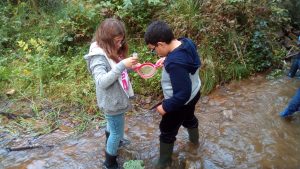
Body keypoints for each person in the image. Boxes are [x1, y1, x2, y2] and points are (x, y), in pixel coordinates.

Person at [144, 21, 201, 168]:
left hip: (180, 102)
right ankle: (195, 144)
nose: (154, 52)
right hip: (195, 94)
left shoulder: (175, 63)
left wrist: (165, 107)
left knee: (167, 130)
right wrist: (167, 58)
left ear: (161, 44)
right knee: (189, 118)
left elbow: (182, 94)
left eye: (153, 49)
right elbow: (184, 61)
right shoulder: (185, 42)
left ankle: (164, 162)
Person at [84, 18, 138, 169]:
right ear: (106, 39)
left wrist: (132, 66)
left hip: (115, 99)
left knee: (112, 126)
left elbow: (117, 69)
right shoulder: (98, 56)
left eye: (121, 40)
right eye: (117, 41)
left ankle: (113, 140)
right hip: (111, 101)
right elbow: (101, 81)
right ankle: (110, 163)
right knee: (116, 132)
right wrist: (122, 65)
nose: (120, 44)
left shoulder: (109, 49)